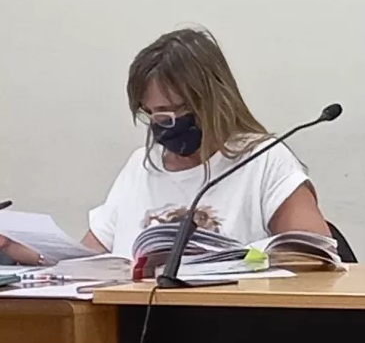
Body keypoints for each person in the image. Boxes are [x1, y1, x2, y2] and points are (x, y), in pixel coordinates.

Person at [0, 27, 331, 264]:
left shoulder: (262, 159)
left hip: (229, 324)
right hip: (132, 323)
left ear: (214, 101)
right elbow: (91, 260)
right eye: (154, 114)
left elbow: (314, 254)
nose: (165, 124)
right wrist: (25, 251)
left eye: (176, 111)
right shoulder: (141, 166)